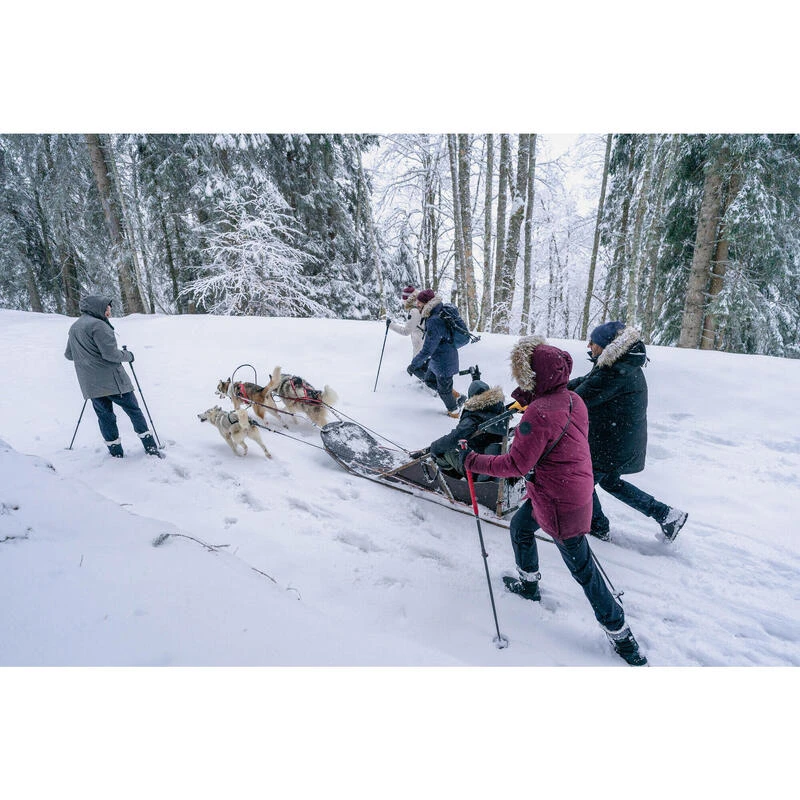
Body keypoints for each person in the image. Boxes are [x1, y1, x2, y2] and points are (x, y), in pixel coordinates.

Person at [461, 335, 647, 666]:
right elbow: (554, 435)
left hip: (559, 503)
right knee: (519, 527)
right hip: (565, 488)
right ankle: (529, 585)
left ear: (535, 378)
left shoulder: (539, 414)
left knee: (584, 570)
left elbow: (515, 465)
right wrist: (530, 398)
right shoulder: (573, 399)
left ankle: (621, 634)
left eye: (525, 377)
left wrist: (473, 461)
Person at [568, 320, 687, 543]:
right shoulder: (619, 363)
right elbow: (586, 381)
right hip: (619, 440)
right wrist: (555, 386)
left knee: (581, 480)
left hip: (611, 443)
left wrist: (548, 398)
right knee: (609, 481)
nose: (588, 346)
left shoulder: (615, 371)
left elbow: (580, 398)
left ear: (605, 345)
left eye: (593, 342)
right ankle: (667, 514)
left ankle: (598, 526)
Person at [65, 295, 161, 459]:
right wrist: (128, 355)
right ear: (98, 307)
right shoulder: (99, 326)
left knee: (105, 417)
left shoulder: (75, 327)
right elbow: (111, 355)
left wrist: (88, 360)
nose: (109, 310)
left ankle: (116, 452)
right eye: (107, 307)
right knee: (134, 411)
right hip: (114, 382)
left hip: (91, 385)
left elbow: (69, 354)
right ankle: (150, 447)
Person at [411, 380, 506, 478]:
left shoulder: (474, 417)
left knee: (444, 451)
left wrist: (435, 447)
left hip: (475, 465)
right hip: (493, 462)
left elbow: (455, 437)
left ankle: (452, 478)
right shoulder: (498, 410)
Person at [407, 288, 464, 418]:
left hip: (444, 362)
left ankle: (454, 412)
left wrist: (414, 364)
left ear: (427, 303)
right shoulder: (437, 312)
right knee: (429, 380)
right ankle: (458, 397)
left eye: (420, 302)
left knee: (444, 391)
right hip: (438, 359)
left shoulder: (434, 320)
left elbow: (427, 349)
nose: (417, 305)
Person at [387, 286, 424, 358]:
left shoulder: (414, 311)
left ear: (408, 299)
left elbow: (406, 331)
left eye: (404, 299)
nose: (403, 302)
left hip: (421, 350)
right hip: (422, 347)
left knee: (416, 368)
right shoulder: (420, 307)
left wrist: (390, 325)